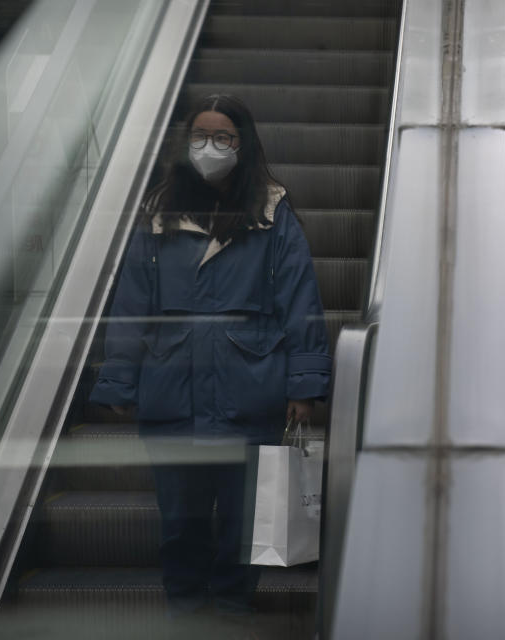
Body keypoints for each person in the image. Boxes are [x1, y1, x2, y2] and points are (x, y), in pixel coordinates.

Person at [89, 94, 331, 636]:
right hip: (172, 392)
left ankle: (230, 618)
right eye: (201, 136)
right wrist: (118, 381)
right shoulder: (159, 211)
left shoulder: (271, 213)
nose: (210, 148)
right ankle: (185, 622)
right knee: (180, 527)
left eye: (224, 138)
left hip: (251, 391)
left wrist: (304, 384)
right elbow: (132, 304)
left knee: (245, 528)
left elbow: (300, 301)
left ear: (243, 147)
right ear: (185, 142)